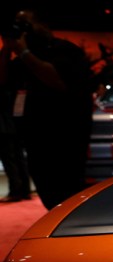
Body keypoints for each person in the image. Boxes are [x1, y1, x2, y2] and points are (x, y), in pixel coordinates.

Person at [0, 9, 93, 210]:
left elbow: (57, 82)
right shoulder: (21, 60)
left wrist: (24, 52)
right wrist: (7, 50)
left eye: (25, 24)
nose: (22, 30)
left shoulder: (63, 51)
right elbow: (3, 81)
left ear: (42, 25)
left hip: (66, 134)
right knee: (46, 190)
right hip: (35, 136)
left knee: (68, 190)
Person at [0, 75, 30, 202]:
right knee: (18, 157)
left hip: (4, 125)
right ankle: (24, 190)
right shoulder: (18, 84)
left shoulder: (4, 85)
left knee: (10, 159)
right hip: (15, 123)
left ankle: (16, 191)